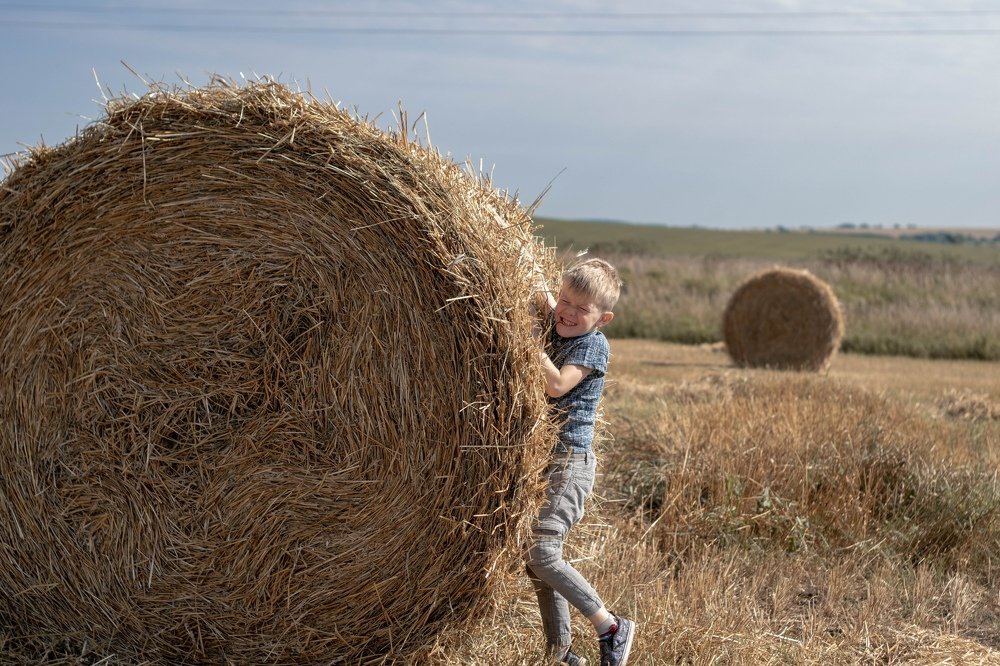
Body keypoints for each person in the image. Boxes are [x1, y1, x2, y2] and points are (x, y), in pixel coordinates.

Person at [525, 257, 635, 666]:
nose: (568, 311)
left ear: (603, 318)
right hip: (546, 461)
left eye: (581, 308)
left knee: (542, 551)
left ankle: (610, 626)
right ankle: (561, 654)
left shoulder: (593, 344)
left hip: (570, 463)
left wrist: (524, 343)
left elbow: (555, 386)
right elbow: (538, 289)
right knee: (535, 562)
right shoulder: (563, 319)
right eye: (564, 300)